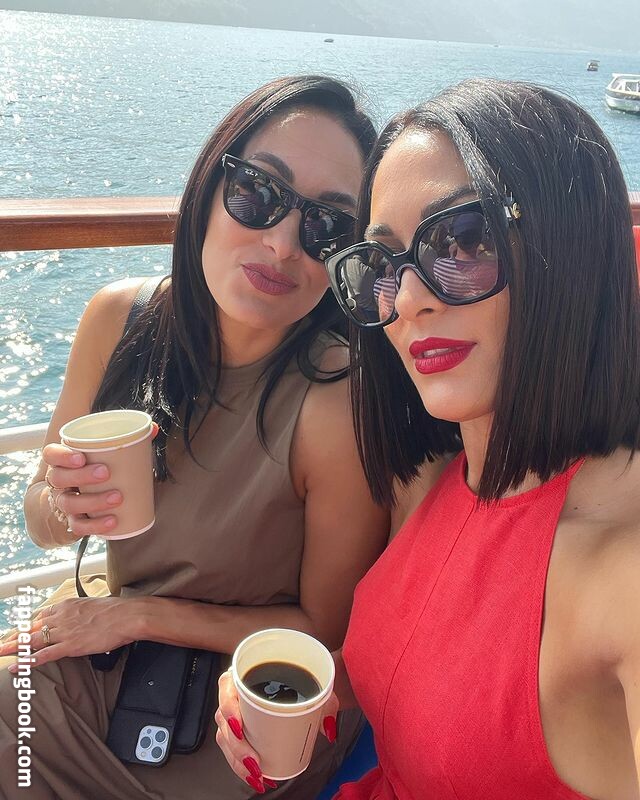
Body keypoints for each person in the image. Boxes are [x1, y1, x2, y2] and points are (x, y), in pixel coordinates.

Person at [217, 79, 640, 800]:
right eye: (381, 265)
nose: (408, 298)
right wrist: (309, 691)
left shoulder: (620, 571)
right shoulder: (435, 477)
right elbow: (430, 665)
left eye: (465, 241)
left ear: (570, 248)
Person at [0, 75, 388, 800]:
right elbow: (40, 514)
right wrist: (66, 505)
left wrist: (136, 615)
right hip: (115, 662)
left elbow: (323, 629)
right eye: (258, 192)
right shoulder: (118, 321)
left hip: (251, 701)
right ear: (210, 186)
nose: (281, 243)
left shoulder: (336, 402)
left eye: (326, 226)